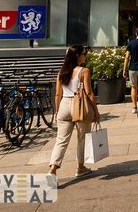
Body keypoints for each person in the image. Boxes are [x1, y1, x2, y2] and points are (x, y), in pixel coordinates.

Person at [49, 44, 96, 179]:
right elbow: (89, 93)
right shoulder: (84, 71)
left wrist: (57, 112)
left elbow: (57, 94)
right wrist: (96, 111)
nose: (85, 56)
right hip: (79, 105)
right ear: (77, 56)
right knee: (82, 138)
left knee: (61, 141)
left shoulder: (62, 72)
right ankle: (80, 167)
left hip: (64, 104)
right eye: (84, 54)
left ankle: (52, 170)